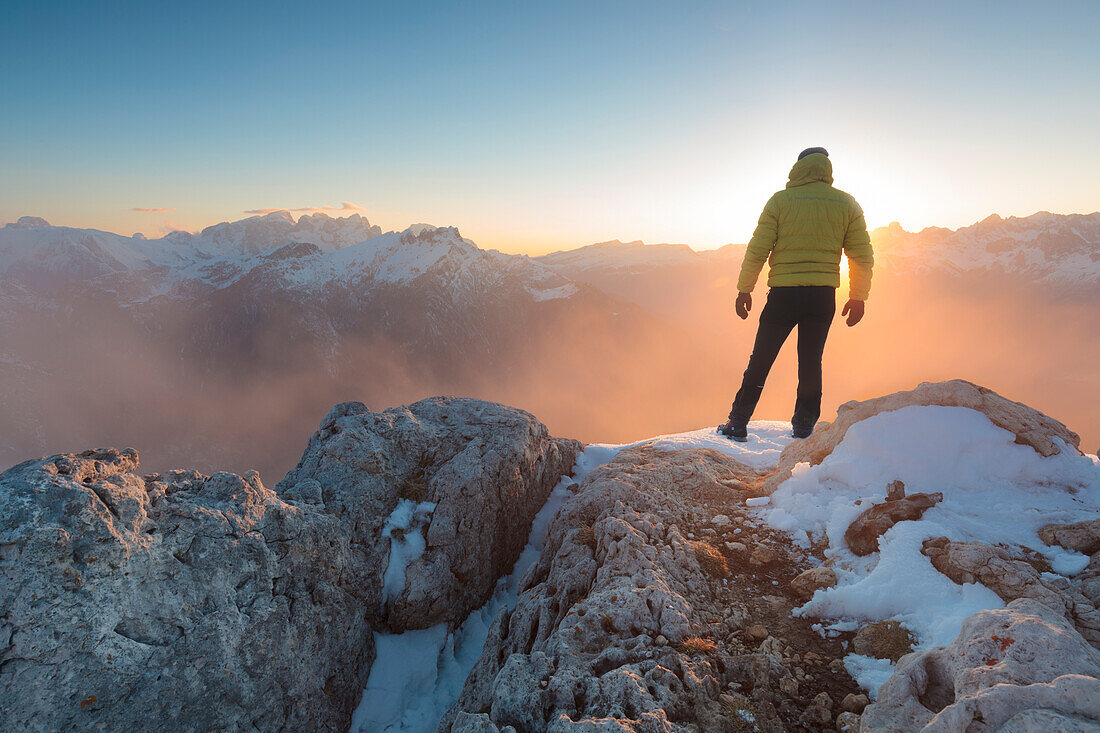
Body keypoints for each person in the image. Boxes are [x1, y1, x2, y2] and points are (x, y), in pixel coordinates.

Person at [718, 147, 873, 442]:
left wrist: (744, 289)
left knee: (761, 359)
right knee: (811, 361)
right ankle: (803, 428)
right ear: (827, 169)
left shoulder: (780, 201)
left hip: (783, 296)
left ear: (798, 167)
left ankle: (737, 423)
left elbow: (757, 249)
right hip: (822, 296)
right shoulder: (846, 203)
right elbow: (861, 255)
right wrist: (858, 296)